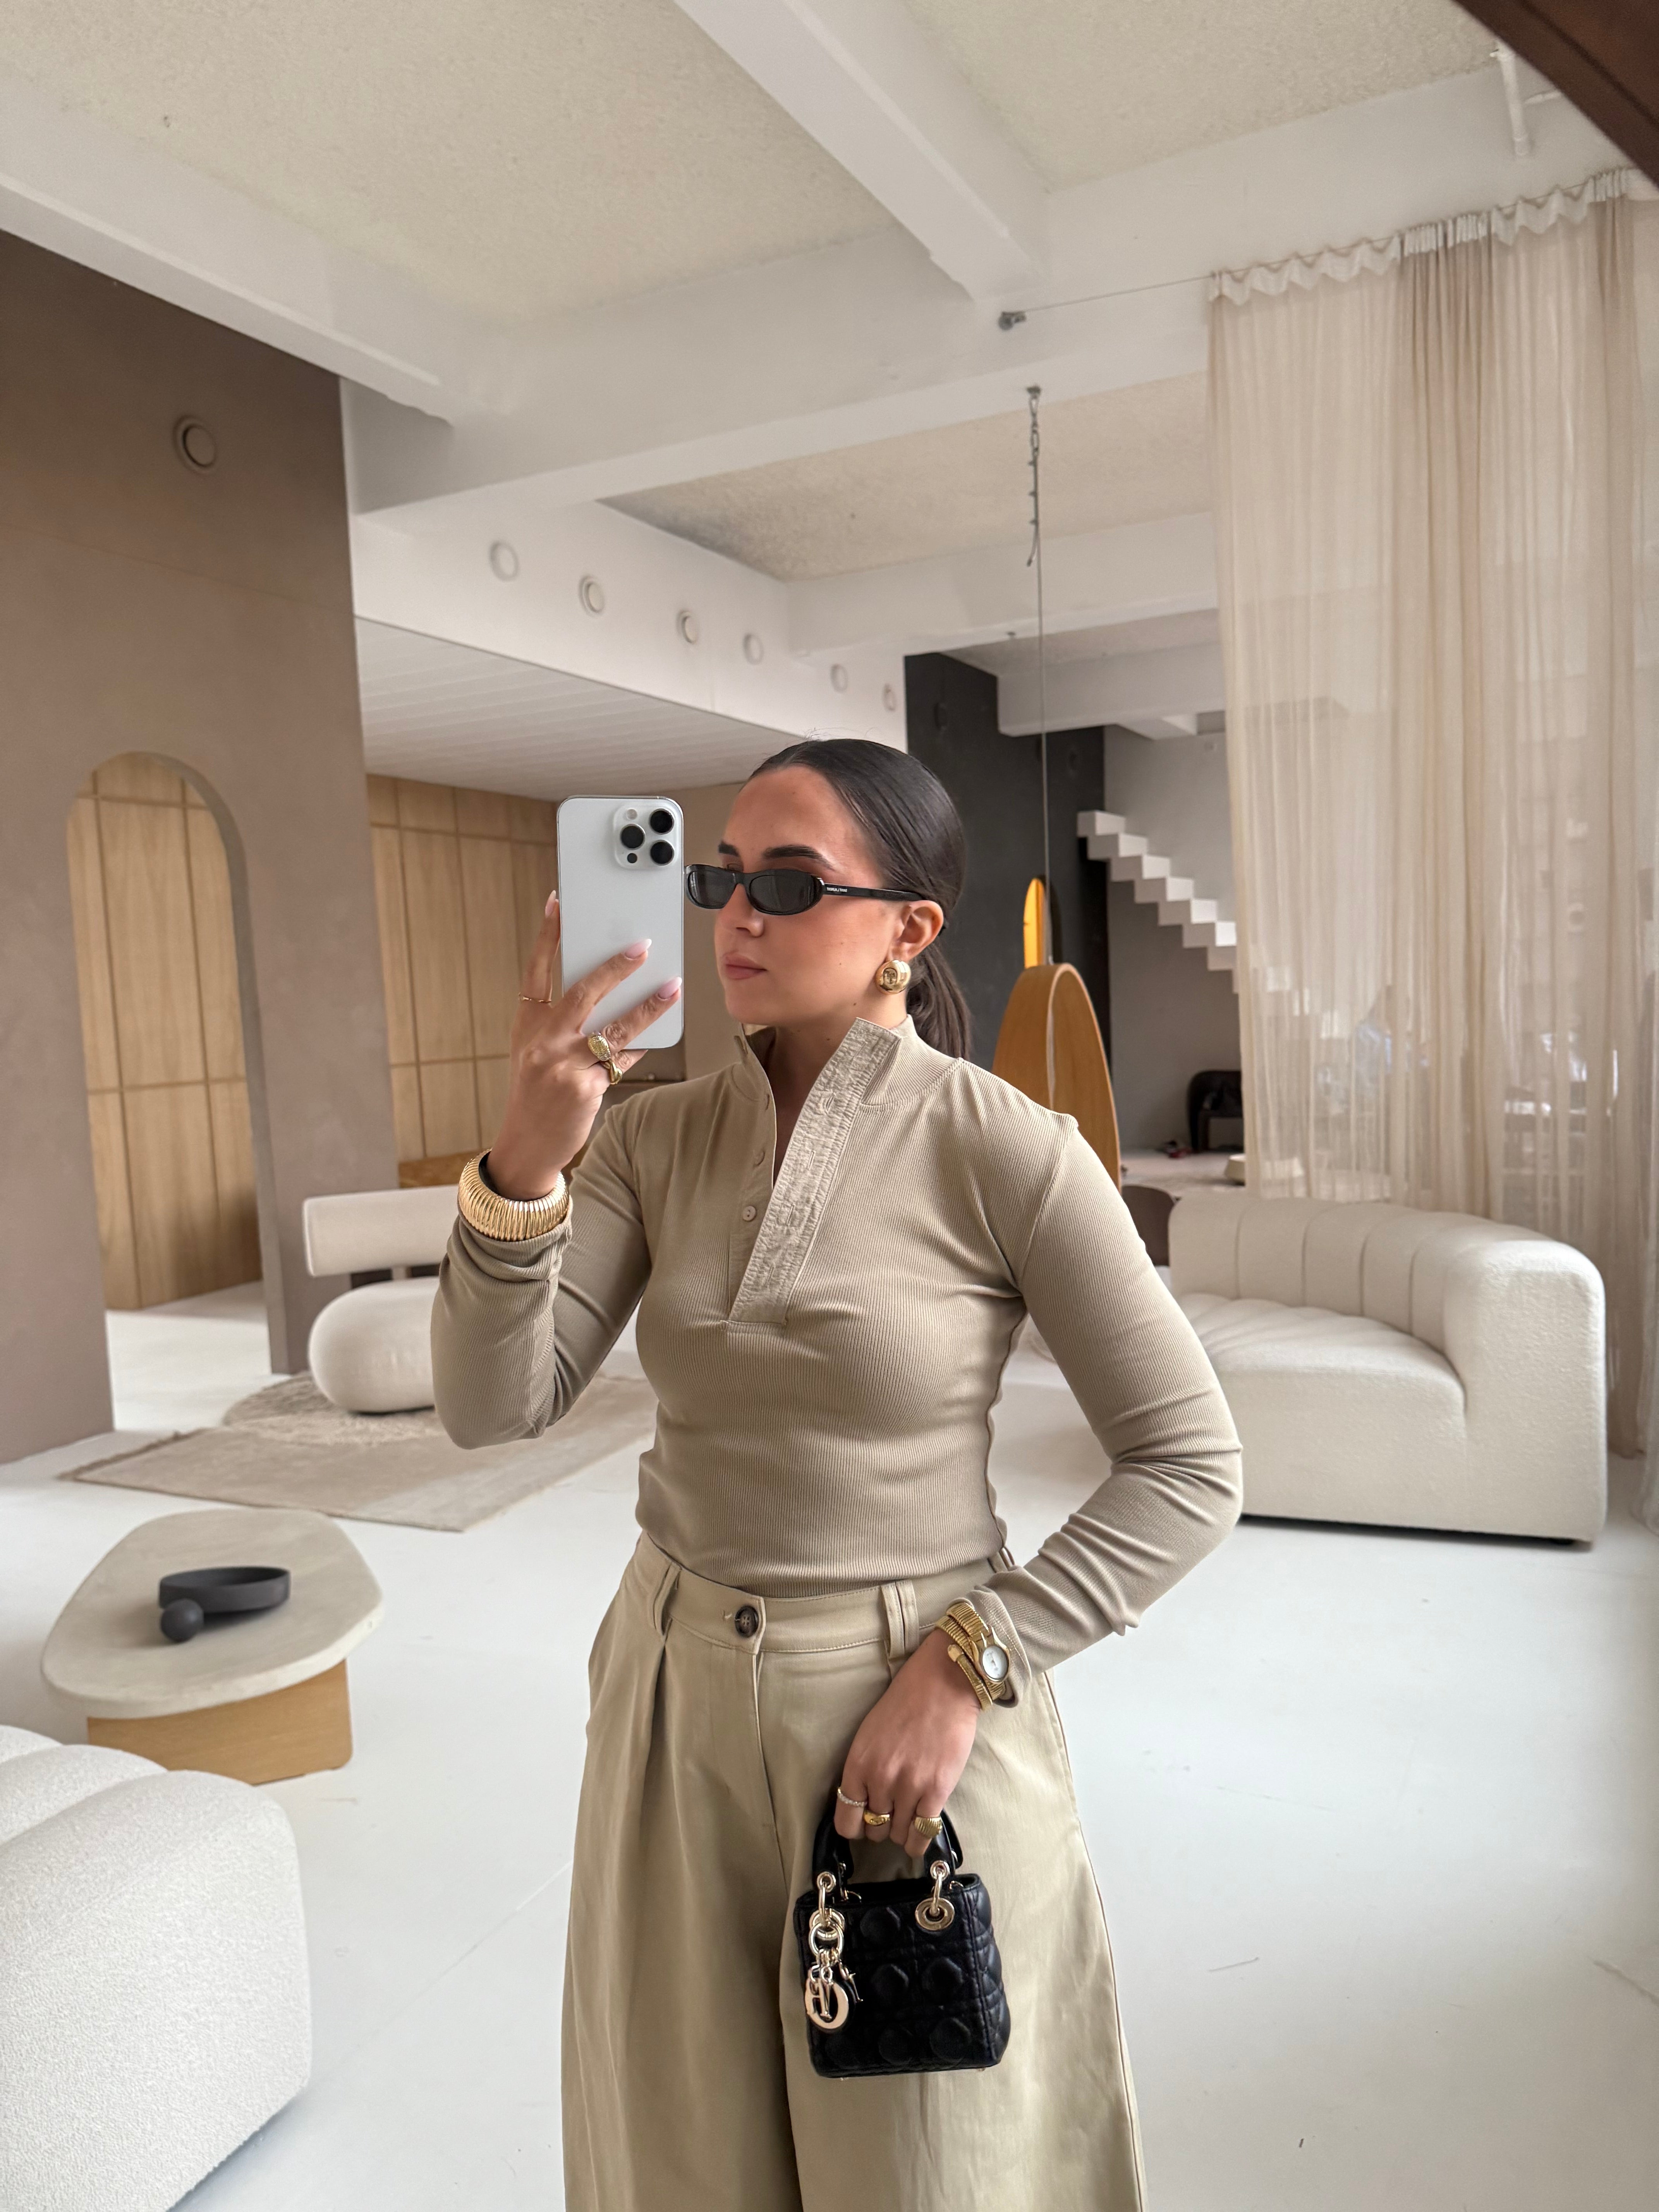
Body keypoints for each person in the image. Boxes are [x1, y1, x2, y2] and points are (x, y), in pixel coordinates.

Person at [431, 737, 1243, 2212]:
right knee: (680, 2157)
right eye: (722, 879)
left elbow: (1188, 1464)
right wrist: (526, 1167)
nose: (738, 915)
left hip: (903, 1735)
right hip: (669, 1712)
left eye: (792, 884)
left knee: (934, 2170)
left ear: (907, 929)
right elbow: (495, 1406)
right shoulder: (650, 1138)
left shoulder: (1010, 1150)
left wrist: (970, 1659)